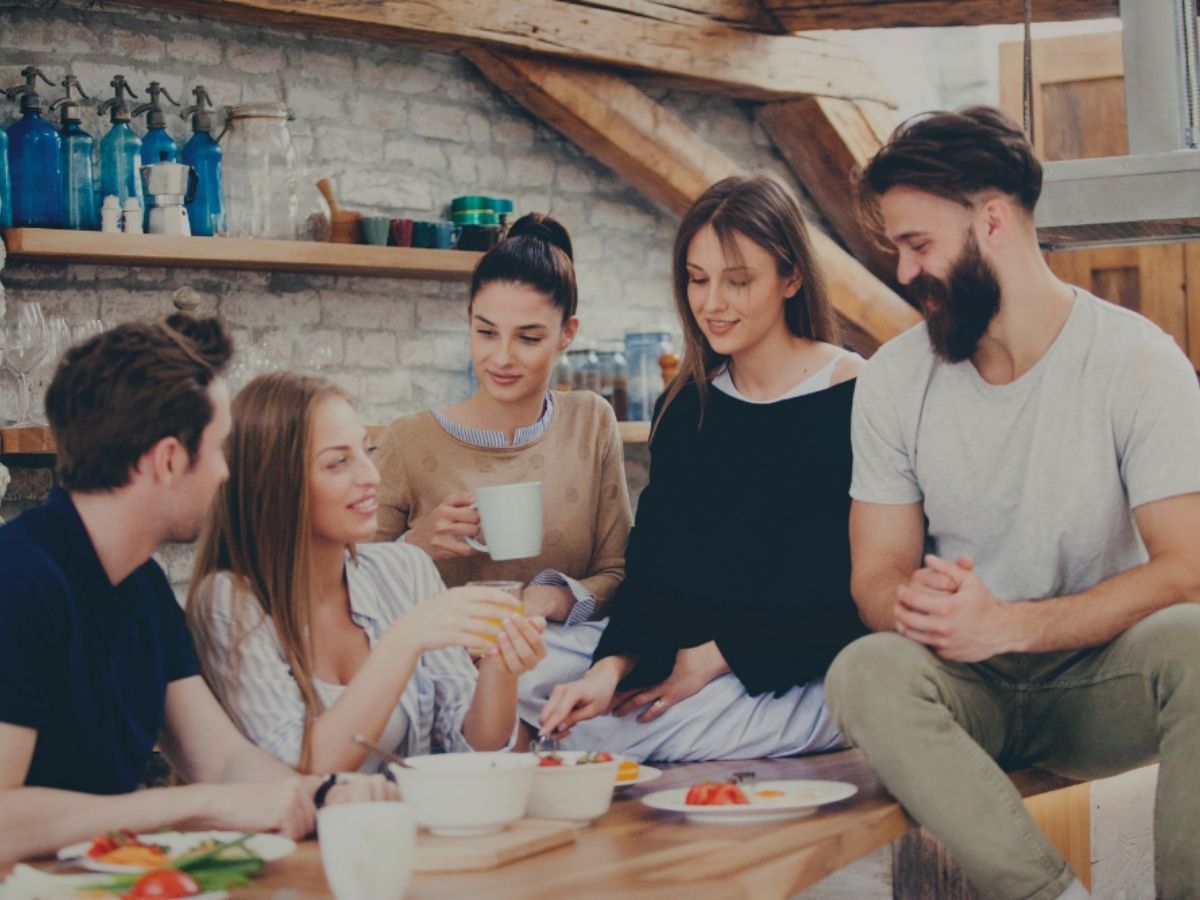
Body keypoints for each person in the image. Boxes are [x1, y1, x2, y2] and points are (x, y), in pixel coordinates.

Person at [824, 106, 1200, 900]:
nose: (902, 272)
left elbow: (1189, 568)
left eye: (917, 244)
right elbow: (874, 578)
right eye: (897, 248)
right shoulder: (894, 379)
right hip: (971, 687)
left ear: (991, 220)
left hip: (1103, 679)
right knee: (866, 670)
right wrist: (921, 606)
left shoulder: (1136, 360)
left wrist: (1012, 623)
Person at [0, 317, 388, 867]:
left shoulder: (140, 585)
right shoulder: (17, 580)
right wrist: (197, 804)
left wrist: (322, 796)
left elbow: (222, 761)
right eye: (217, 449)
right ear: (166, 461)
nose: (227, 473)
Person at [534, 175, 868, 761]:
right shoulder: (688, 402)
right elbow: (658, 571)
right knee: (516, 670)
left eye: (738, 281)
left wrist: (717, 657)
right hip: (685, 653)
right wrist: (609, 669)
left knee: (593, 730)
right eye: (698, 279)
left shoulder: (859, 394)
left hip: (799, 671)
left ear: (792, 278)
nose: (712, 303)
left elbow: (858, 598)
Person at [186, 372, 547, 776]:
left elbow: (473, 746)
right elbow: (301, 771)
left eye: (367, 451)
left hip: (415, 832)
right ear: (276, 482)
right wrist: (404, 640)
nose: (371, 477)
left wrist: (499, 670)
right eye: (338, 462)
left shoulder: (405, 570)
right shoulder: (230, 603)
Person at [372, 213, 632, 626]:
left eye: (528, 337)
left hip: (561, 671)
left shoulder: (591, 422)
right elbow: (347, 586)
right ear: (469, 320)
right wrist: (413, 546)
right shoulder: (407, 441)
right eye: (487, 332)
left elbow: (619, 574)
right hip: (451, 674)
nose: (502, 357)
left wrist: (554, 599)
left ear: (567, 333)